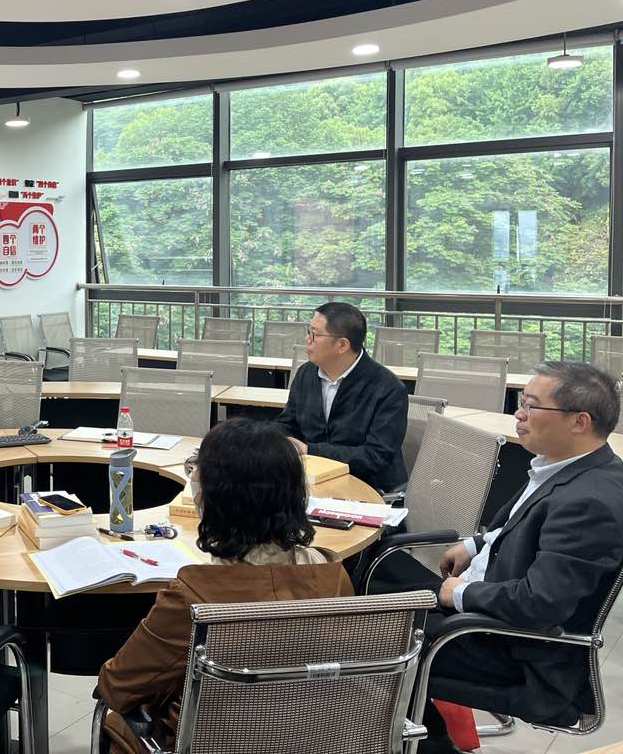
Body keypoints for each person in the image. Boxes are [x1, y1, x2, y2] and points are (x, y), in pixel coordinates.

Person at [97, 418, 352, 754]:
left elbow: (118, 686)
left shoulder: (194, 595)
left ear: (209, 499)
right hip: (311, 739)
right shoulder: (332, 575)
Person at [417, 361, 623, 752]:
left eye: (531, 405)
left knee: (371, 642)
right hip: (487, 615)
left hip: (517, 652)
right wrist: (476, 544)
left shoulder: (590, 502)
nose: (519, 414)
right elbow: (524, 526)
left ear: (579, 422)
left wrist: (458, 593)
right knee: (369, 613)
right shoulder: (562, 466)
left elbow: (540, 603)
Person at [276, 301, 408, 492]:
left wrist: (310, 450)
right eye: (308, 331)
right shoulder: (306, 373)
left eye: (314, 334)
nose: (307, 339)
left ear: (342, 345)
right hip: (313, 483)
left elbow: (375, 456)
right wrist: (277, 439)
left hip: (371, 489)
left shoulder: (388, 388)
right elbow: (288, 423)